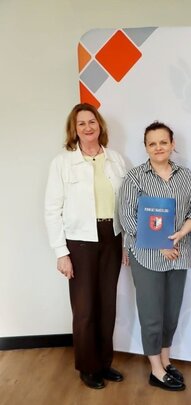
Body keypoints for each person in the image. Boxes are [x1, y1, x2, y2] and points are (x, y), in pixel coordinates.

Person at [44, 103, 127, 389]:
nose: (88, 127)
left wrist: (126, 243)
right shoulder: (62, 162)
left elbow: (127, 204)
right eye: (81, 123)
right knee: (85, 308)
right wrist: (61, 253)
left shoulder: (116, 159)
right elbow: (52, 210)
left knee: (107, 305)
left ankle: (104, 363)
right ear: (74, 129)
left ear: (100, 125)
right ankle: (88, 367)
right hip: (79, 241)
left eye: (92, 121)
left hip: (111, 236)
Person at [119, 122, 191, 392]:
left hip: (179, 254)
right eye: (152, 143)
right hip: (147, 257)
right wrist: (159, 244)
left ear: (172, 144)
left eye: (163, 142)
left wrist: (181, 233)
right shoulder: (134, 178)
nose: (158, 148)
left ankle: (166, 360)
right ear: (145, 147)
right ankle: (155, 369)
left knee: (171, 314)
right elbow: (128, 218)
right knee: (152, 314)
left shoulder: (186, 176)